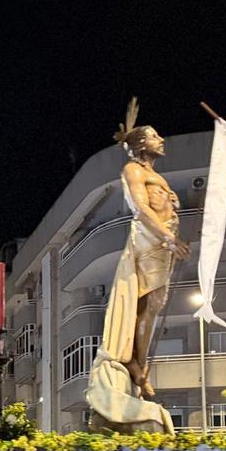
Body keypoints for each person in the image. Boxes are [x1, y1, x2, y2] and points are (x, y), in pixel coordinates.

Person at [85, 99, 189, 432]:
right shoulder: (134, 170)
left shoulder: (155, 174)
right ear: (141, 143)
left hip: (163, 244)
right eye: (156, 136)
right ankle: (136, 365)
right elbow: (141, 208)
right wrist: (169, 238)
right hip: (149, 242)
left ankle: (136, 365)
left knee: (150, 306)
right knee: (148, 302)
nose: (162, 140)